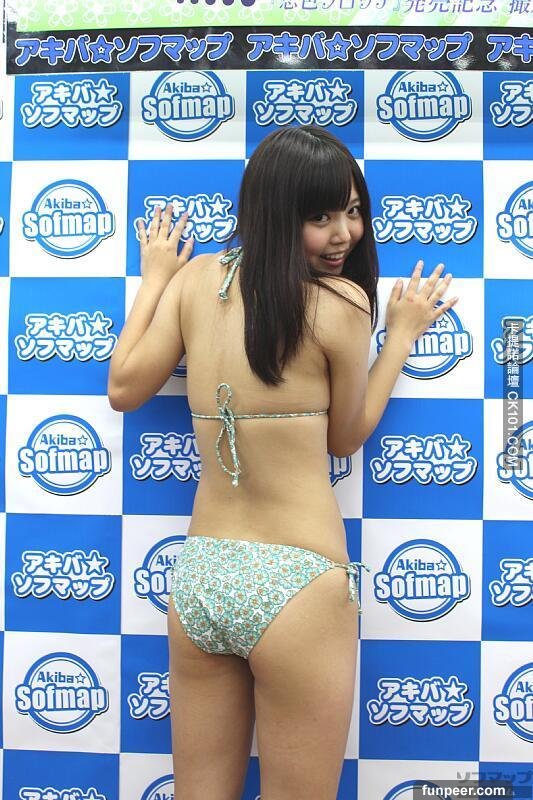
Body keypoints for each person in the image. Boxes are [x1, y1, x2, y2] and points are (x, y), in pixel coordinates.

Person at [108, 125, 458, 800]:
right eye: (319, 217)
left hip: (203, 575)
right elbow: (345, 438)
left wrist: (154, 279)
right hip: (300, 583)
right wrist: (401, 337)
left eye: (351, 210)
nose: (343, 234)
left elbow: (123, 387)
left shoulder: (195, 280)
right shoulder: (342, 303)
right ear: (274, 213)